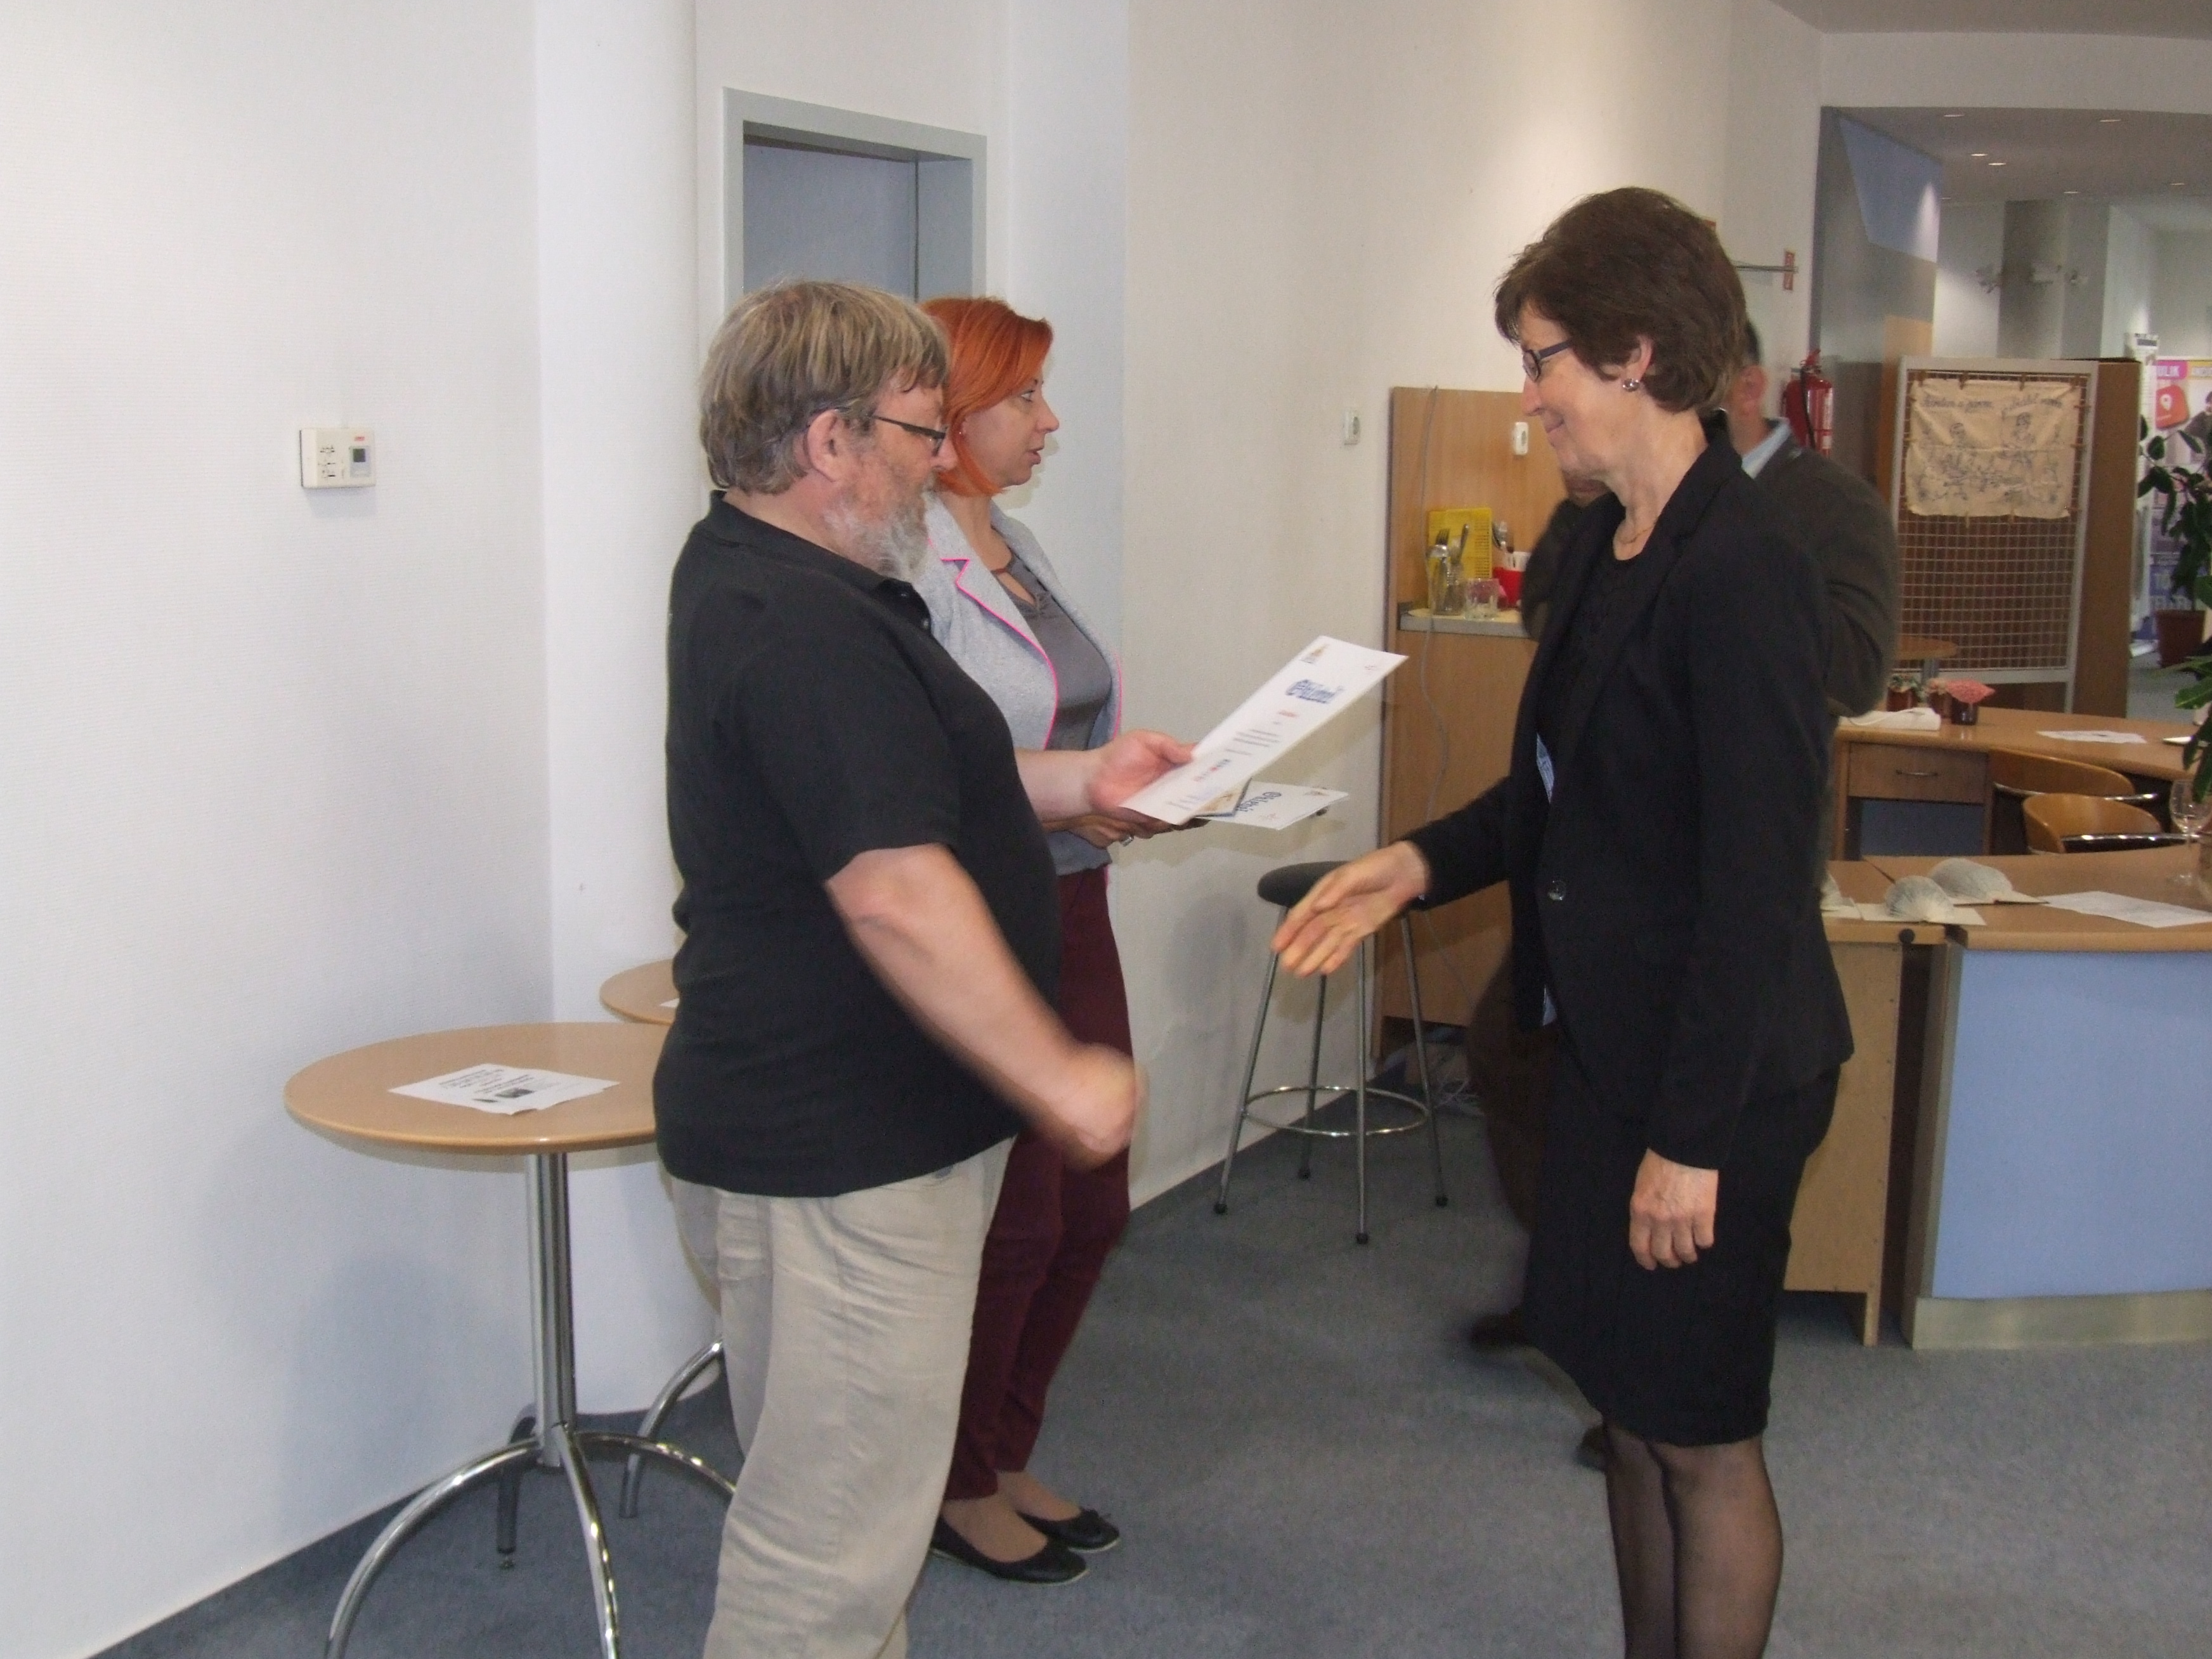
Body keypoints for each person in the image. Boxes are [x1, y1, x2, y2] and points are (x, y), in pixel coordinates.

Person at [1274, 190, 1852, 1659]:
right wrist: (1417, 860)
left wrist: (1690, 1140)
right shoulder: (1600, 542)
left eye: (1541, 362)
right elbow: (1556, 791)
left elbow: (1755, 889)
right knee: (1629, 1411)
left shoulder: (1745, 574)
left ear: (1634, 354)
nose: (1526, 398)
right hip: (1606, 1049)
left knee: (1698, 1434)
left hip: (1716, 1076)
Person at [656, 280, 1188, 1659]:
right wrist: (1055, 1072)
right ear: (828, 443)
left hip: (840, 1135)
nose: (938, 456)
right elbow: (893, 891)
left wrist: (1082, 780)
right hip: (840, 1152)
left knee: (857, 1529)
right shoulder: (801, 624)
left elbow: (918, 786)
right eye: (916, 429)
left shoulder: (780, 577)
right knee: (826, 1560)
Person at [908, 295, 1146, 1584]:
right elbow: (929, 768)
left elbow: (1064, 713)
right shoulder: (903, 565)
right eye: (1024, 398)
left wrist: (1113, 797)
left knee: (1093, 1204)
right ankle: (952, 1482)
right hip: (991, 915)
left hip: (1075, 899)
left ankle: (1003, 1449)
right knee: (1019, 1220)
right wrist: (1068, 794)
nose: (1048, 421)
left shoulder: (1023, 545)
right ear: (949, 419)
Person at [1722, 322, 1899, 720]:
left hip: (1761, 755)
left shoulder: (1840, 505)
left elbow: (1859, 679)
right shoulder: (1629, 501)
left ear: (1748, 388)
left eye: (1687, 389)